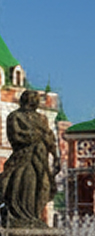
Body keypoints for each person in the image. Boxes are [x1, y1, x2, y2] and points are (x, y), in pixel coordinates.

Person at [0, 90, 58, 226]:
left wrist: (56, 156)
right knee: (24, 184)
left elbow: (50, 137)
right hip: (24, 156)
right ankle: (21, 218)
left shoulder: (41, 118)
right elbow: (15, 135)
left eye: (36, 100)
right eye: (32, 99)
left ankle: (34, 217)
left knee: (44, 186)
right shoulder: (15, 116)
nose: (35, 102)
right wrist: (35, 135)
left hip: (41, 157)